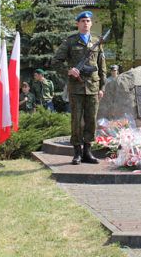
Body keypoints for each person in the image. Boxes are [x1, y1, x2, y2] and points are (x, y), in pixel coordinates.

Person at [52, 11, 106, 165]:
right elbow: (56, 61)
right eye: (82, 21)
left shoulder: (97, 42)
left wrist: (102, 87)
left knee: (91, 121)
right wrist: (69, 71)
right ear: (78, 24)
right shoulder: (70, 41)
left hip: (93, 87)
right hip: (76, 87)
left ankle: (87, 152)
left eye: (88, 21)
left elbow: (102, 67)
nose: (85, 23)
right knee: (76, 121)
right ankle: (77, 153)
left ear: (91, 23)